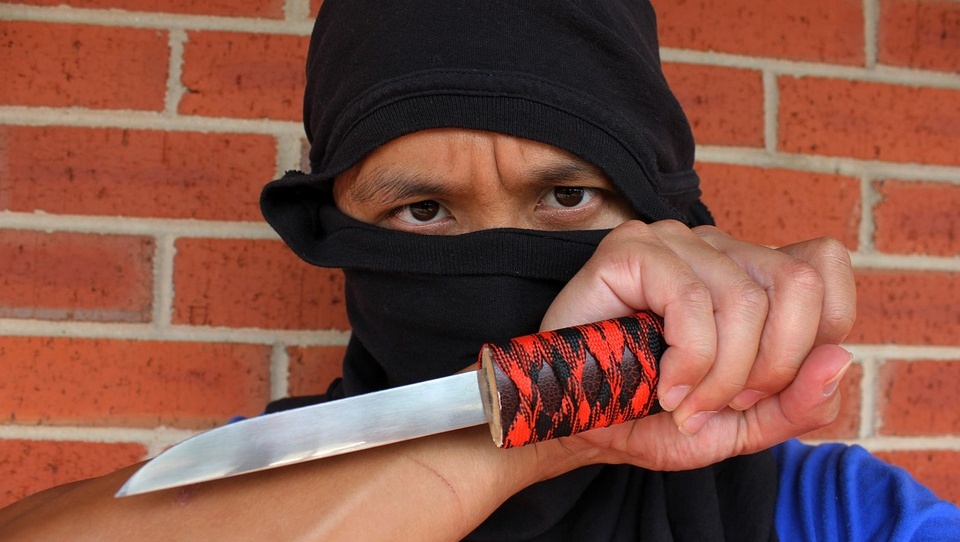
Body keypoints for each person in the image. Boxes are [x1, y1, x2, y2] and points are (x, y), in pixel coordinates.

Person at [1, 0, 958, 540]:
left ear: (663, 217)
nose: (493, 257)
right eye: (422, 211)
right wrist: (531, 427)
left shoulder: (834, 516)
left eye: (568, 196)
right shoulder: (253, 481)